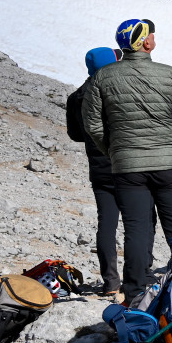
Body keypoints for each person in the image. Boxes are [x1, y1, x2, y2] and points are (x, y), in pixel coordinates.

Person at [83, 19, 172, 304]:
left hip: (127, 166)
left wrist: (114, 151)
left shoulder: (103, 77)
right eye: (151, 35)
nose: (154, 38)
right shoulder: (169, 74)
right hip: (167, 164)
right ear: (145, 43)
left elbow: (93, 125)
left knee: (135, 227)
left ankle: (134, 290)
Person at [66, 47, 123, 299]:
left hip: (100, 169)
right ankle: (138, 278)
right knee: (137, 221)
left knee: (107, 223)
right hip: (127, 164)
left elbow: (76, 135)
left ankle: (111, 281)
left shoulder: (76, 97)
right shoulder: (119, 90)